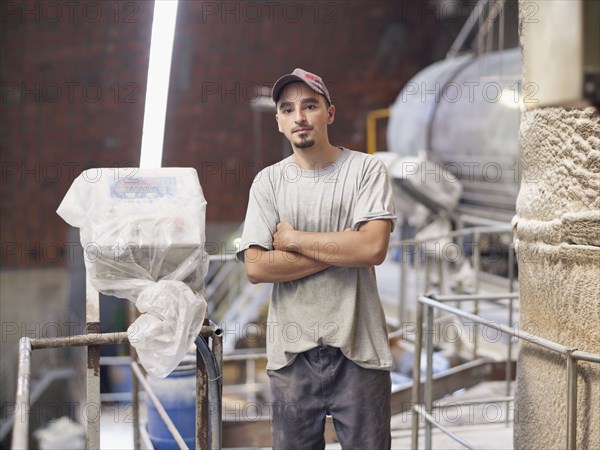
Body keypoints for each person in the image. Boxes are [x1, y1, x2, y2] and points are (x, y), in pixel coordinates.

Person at [236, 68, 396, 450]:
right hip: (292, 358)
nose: (300, 117)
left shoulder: (365, 170)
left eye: (310, 106)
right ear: (278, 121)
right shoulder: (268, 182)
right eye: (288, 109)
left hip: (360, 349)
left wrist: (293, 240)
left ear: (330, 113)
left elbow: (373, 249)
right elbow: (257, 267)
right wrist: (346, 248)